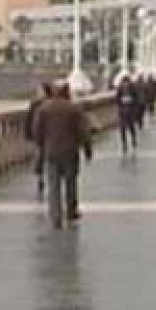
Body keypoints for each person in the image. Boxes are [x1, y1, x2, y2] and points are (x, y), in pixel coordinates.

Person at [34, 83, 94, 228]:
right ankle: (71, 210)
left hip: (51, 151)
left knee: (53, 185)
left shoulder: (44, 109)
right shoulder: (74, 109)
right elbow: (83, 131)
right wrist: (87, 149)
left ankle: (56, 215)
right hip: (70, 151)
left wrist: (42, 145)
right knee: (71, 182)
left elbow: (37, 131)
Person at [24, 81, 53, 199]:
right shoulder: (35, 104)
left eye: (40, 91)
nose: (38, 93)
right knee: (39, 158)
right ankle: (40, 178)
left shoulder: (50, 104)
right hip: (38, 136)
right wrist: (28, 134)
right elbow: (29, 119)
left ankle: (49, 178)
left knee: (48, 157)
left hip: (49, 135)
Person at [114, 73, 141, 153]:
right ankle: (126, 143)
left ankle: (130, 141)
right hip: (125, 111)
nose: (125, 84)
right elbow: (117, 99)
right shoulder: (124, 88)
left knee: (128, 127)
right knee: (124, 128)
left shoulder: (131, 88)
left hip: (127, 110)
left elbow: (117, 99)